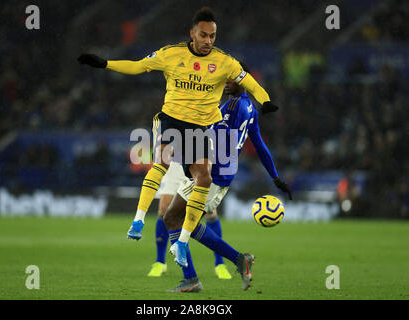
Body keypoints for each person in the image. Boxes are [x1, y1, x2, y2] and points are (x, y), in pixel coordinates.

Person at [78, 7, 280, 264]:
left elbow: (249, 82)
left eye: (213, 36)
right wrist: (105, 63)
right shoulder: (171, 54)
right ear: (192, 33)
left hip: (198, 129)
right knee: (161, 162)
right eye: (204, 35)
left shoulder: (224, 62)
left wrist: (265, 100)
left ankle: (182, 243)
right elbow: (138, 66)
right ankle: (138, 220)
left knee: (203, 179)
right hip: (172, 119)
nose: (208, 41)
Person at [163, 62, 292, 292]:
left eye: (229, 79)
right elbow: (260, 145)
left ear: (242, 80)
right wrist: (275, 177)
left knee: (176, 219)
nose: (225, 83)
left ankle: (206, 274)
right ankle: (208, 272)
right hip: (211, 173)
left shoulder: (233, 107)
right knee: (176, 219)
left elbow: (218, 142)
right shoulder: (249, 107)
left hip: (212, 175)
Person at [147, 161, 232, 280]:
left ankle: (220, 264)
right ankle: (160, 262)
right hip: (175, 162)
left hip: (197, 160)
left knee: (210, 212)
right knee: (164, 209)